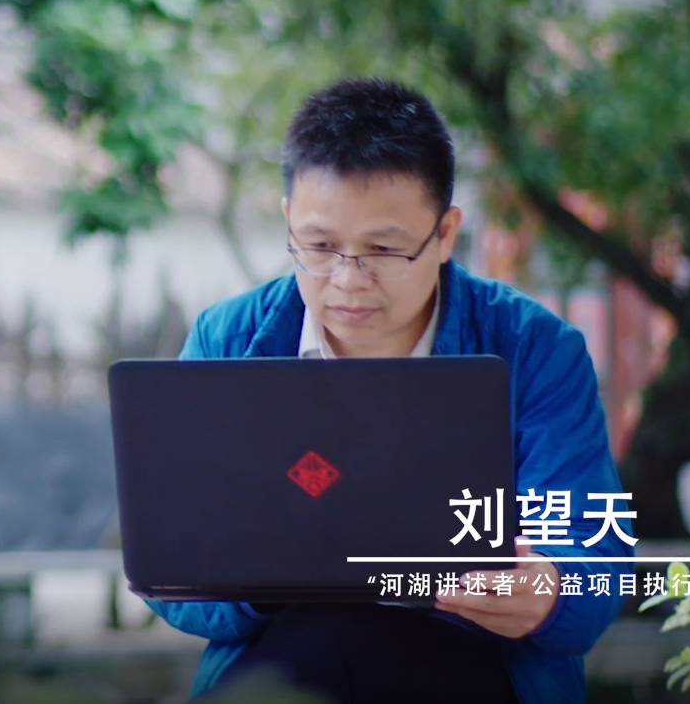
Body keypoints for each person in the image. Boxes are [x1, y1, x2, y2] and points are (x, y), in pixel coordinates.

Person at [152, 78, 634, 704]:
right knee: (325, 640)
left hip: (471, 657)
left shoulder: (535, 349)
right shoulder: (228, 340)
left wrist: (548, 591)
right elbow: (170, 568)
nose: (348, 280)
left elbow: (594, 559)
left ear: (445, 234)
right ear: (288, 220)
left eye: (382, 249)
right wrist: (262, 580)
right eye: (320, 246)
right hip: (285, 649)